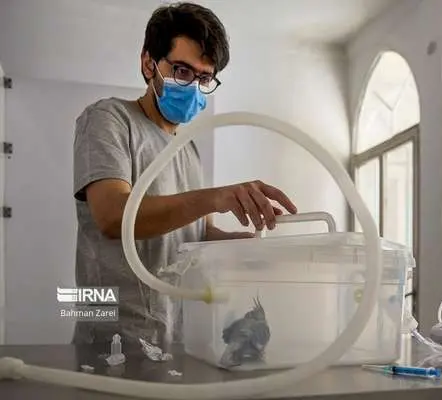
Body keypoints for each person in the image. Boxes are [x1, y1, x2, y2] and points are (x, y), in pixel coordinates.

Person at [71, 2, 297, 348]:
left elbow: (197, 233)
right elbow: (113, 216)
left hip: (173, 335)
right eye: (182, 71)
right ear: (149, 63)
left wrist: (245, 248)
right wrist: (216, 197)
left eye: (204, 78)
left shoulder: (187, 149)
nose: (193, 86)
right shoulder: (109, 119)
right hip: (112, 339)